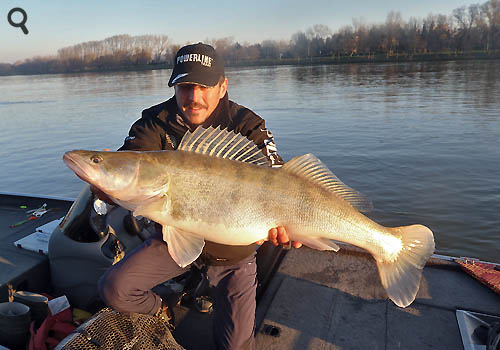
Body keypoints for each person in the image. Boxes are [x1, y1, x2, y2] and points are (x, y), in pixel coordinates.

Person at [97, 43, 301, 350]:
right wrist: (106, 185)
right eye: (184, 86)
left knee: (236, 346)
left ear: (222, 87)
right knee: (114, 289)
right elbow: (132, 163)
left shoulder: (247, 125)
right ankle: (161, 309)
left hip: (233, 255)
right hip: (173, 240)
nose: (193, 97)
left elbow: (282, 178)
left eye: (204, 86)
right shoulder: (155, 121)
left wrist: (290, 228)